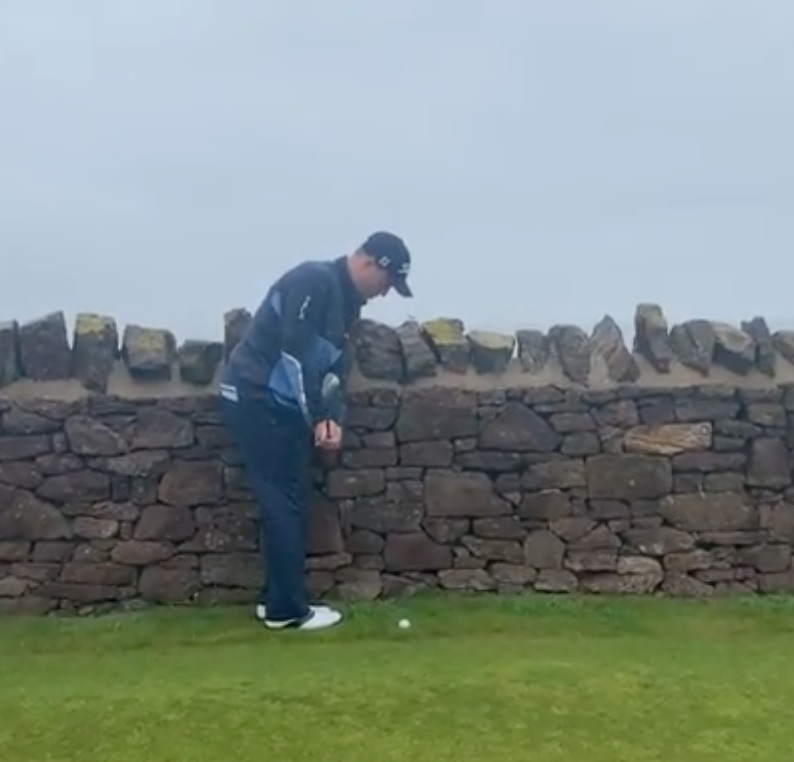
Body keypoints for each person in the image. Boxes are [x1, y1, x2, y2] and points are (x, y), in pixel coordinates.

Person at [219, 231, 413, 631]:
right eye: (387, 281)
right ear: (369, 262)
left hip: (275, 402)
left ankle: (275, 599)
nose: (384, 293)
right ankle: (286, 610)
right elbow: (295, 354)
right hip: (258, 398)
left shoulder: (346, 300)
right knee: (283, 501)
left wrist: (332, 415)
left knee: (285, 499)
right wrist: (319, 417)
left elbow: (334, 367)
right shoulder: (315, 281)